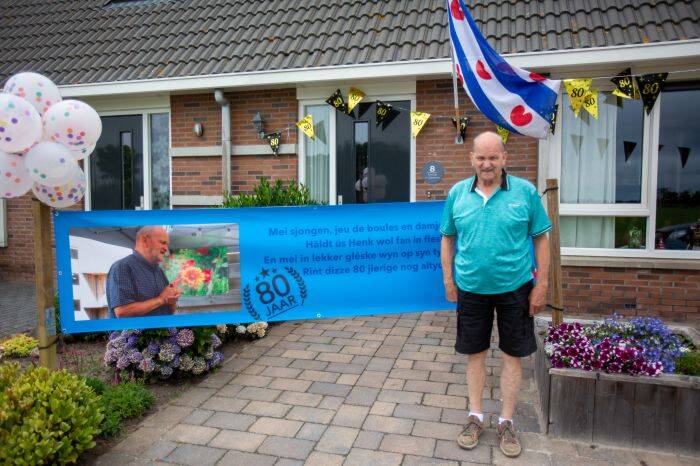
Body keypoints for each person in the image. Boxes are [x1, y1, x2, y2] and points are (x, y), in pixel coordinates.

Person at [440, 131, 551, 458]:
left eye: (492, 157)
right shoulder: (457, 193)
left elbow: (541, 239)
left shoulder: (525, 192)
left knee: (512, 355)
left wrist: (542, 285)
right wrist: (448, 281)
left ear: (504, 158)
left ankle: (506, 422)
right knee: (474, 353)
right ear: (471, 159)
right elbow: (447, 239)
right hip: (471, 289)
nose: (486, 164)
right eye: (481, 157)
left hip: (515, 289)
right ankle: (475, 417)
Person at [106, 226, 182, 318]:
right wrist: (161, 299)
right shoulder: (123, 267)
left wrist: (172, 299)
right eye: (162, 243)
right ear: (145, 240)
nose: (166, 248)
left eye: (167, 244)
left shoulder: (159, 271)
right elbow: (122, 312)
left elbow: (169, 312)